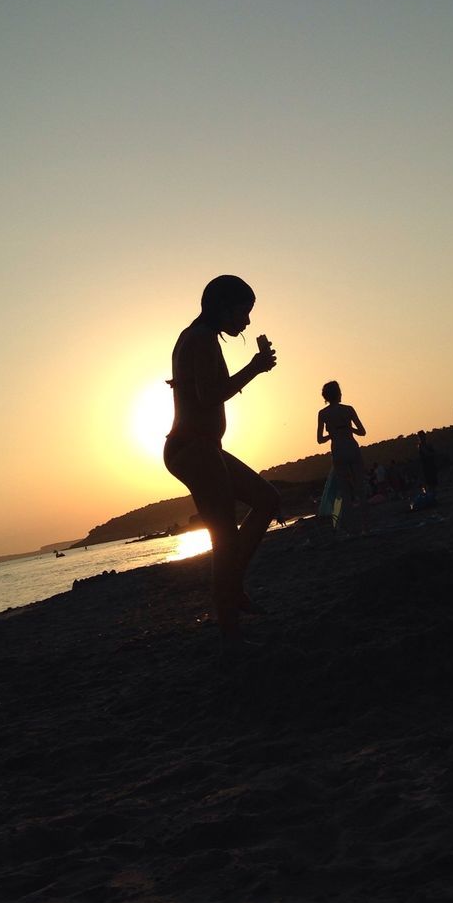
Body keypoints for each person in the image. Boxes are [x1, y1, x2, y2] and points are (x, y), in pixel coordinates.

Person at [163, 276, 280, 652]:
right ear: (220, 307)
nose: (246, 322)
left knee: (266, 500)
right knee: (225, 536)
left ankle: (233, 587)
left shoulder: (202, 338)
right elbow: (209, 394)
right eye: (242, 312)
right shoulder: (197, 338)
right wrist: (256, 367)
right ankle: (230, 631)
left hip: (204, 448)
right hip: (192, 449)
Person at [317, 381, 369, 534]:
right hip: (352, 448)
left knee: (345, 493)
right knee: (360, 490)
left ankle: (352, 529)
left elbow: (320, 439)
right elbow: (362, 432)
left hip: (338, 451)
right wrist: (348, 428)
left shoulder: (323, 414)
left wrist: (331, 434)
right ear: (339, 393)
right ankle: (366, 528)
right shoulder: (348, 409)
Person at [417, 430, 439, 497]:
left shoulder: (427, 445)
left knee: (432, 484)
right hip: (426, 467)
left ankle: (433, 497)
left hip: (430, 465)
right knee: (429, 484)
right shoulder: (421, 446)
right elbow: (427, 454)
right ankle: (431, 497)